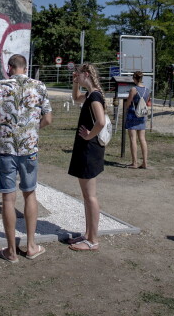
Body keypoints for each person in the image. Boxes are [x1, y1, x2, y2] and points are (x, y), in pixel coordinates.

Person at [0, 54, 52, 263]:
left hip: (7, 149)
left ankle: (11, 251)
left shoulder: (1, 86)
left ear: (10, 68)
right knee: (30, 194)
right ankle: (31, 246)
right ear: (25, 67)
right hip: (29, 148)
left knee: (8, 197)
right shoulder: (39, 86)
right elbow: (48, 118)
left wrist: (0, 133)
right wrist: (32, 130)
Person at [67, 63, 106, 251]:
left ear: (87, 74)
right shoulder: (90, 95)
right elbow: (75, 98)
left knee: (90, 196)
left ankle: (93, 240)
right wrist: (75, 83)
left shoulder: (95, 96)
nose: (77, 77)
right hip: (87, 149)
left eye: (79, 75)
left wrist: (89, 135)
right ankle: (88, 234)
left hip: (90, 150)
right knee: (86, 195)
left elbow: (101, 121)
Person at [124, 71, 150, 169]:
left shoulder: (133, 89)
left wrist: (126, 108)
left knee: (133, 139)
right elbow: (147, 101)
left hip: (132, 114)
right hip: (142, 115)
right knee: (142, 139)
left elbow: (128, 102)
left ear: (134, 78)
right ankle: (145, 162)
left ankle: (134, 162)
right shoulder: (147, 89)